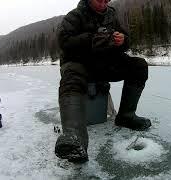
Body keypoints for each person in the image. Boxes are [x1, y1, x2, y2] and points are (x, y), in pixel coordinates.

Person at [55, 0, 152, 163]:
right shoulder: (75, 16)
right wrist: (91, 39)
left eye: (107, 0)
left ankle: (126, 116)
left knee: (138, 66)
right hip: (79, 63)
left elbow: (125, 40)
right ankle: (74, 138)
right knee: (71, 78)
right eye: (100, 0)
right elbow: (64, 42)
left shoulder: (111, 15)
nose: (104, 3)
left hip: (105, 64)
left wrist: (123, 40)